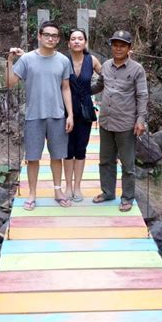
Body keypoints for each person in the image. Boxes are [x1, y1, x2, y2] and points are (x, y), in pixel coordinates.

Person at [5, 21, 73, 210]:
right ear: (39, 36)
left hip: (57, 114)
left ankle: (58, 191)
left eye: (54, 36)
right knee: (33, 157)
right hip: (34, 115)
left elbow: (66, 88)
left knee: (57, 156)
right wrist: (9, 61)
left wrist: (71, 115)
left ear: (58, 39)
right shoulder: (27, 59)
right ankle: (32, 194)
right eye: (47, 35)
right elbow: (10, 83)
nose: (50, 38)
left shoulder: (63, 61)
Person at [92, 30, 148, 212]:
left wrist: (140, 120)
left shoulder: (137, 69)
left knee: (127, 164)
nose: (118, 48)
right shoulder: (106, 66)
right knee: (105, 160)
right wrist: (79, 88)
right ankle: (108, 192)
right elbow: (99, 85)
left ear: (129, 48)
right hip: (106, 122)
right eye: (115, 44)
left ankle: (127, 197)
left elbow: (142, 95)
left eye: (122, 45)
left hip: (126, 124)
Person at [63, 28, 102, 202]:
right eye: (73, 39)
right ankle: (68, 186)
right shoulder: (62, 60)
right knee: (67, 149)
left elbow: (107, 76)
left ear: (85, 42)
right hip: (65, 110)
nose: (77, 41)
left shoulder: (91, 60)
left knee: (81, 148)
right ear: (68, 43)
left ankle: (77, 187)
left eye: (80, 38)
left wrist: (90, 91)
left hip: (85, 110)